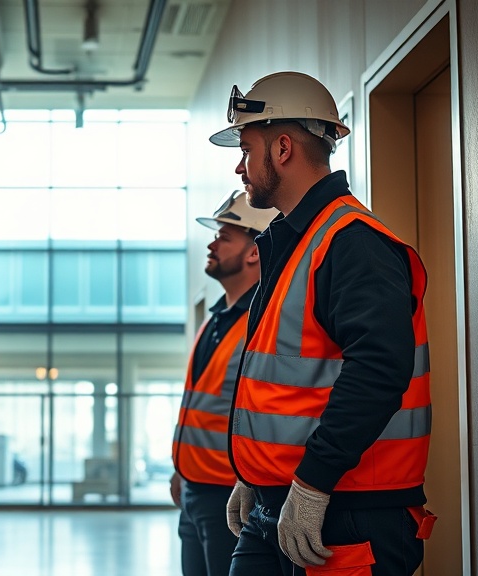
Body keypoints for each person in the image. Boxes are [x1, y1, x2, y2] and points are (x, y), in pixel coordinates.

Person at [209, 71, 435, 575]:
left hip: (347, 511)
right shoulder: (296, 242)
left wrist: (311, 484)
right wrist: (258, 475)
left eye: (247, 149)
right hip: (283, 504)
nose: (239, 167)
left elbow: (378, 371)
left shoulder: (352, 242)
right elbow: (295, 380)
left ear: (283, 148)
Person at [171, 191, 275, 576]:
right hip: (194, 489)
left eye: (225, 236)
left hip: (232, 495)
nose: (212, 244)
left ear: (253, 252)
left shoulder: (263, 322)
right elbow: (198, 406)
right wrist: (180, 469)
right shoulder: (214, 320)